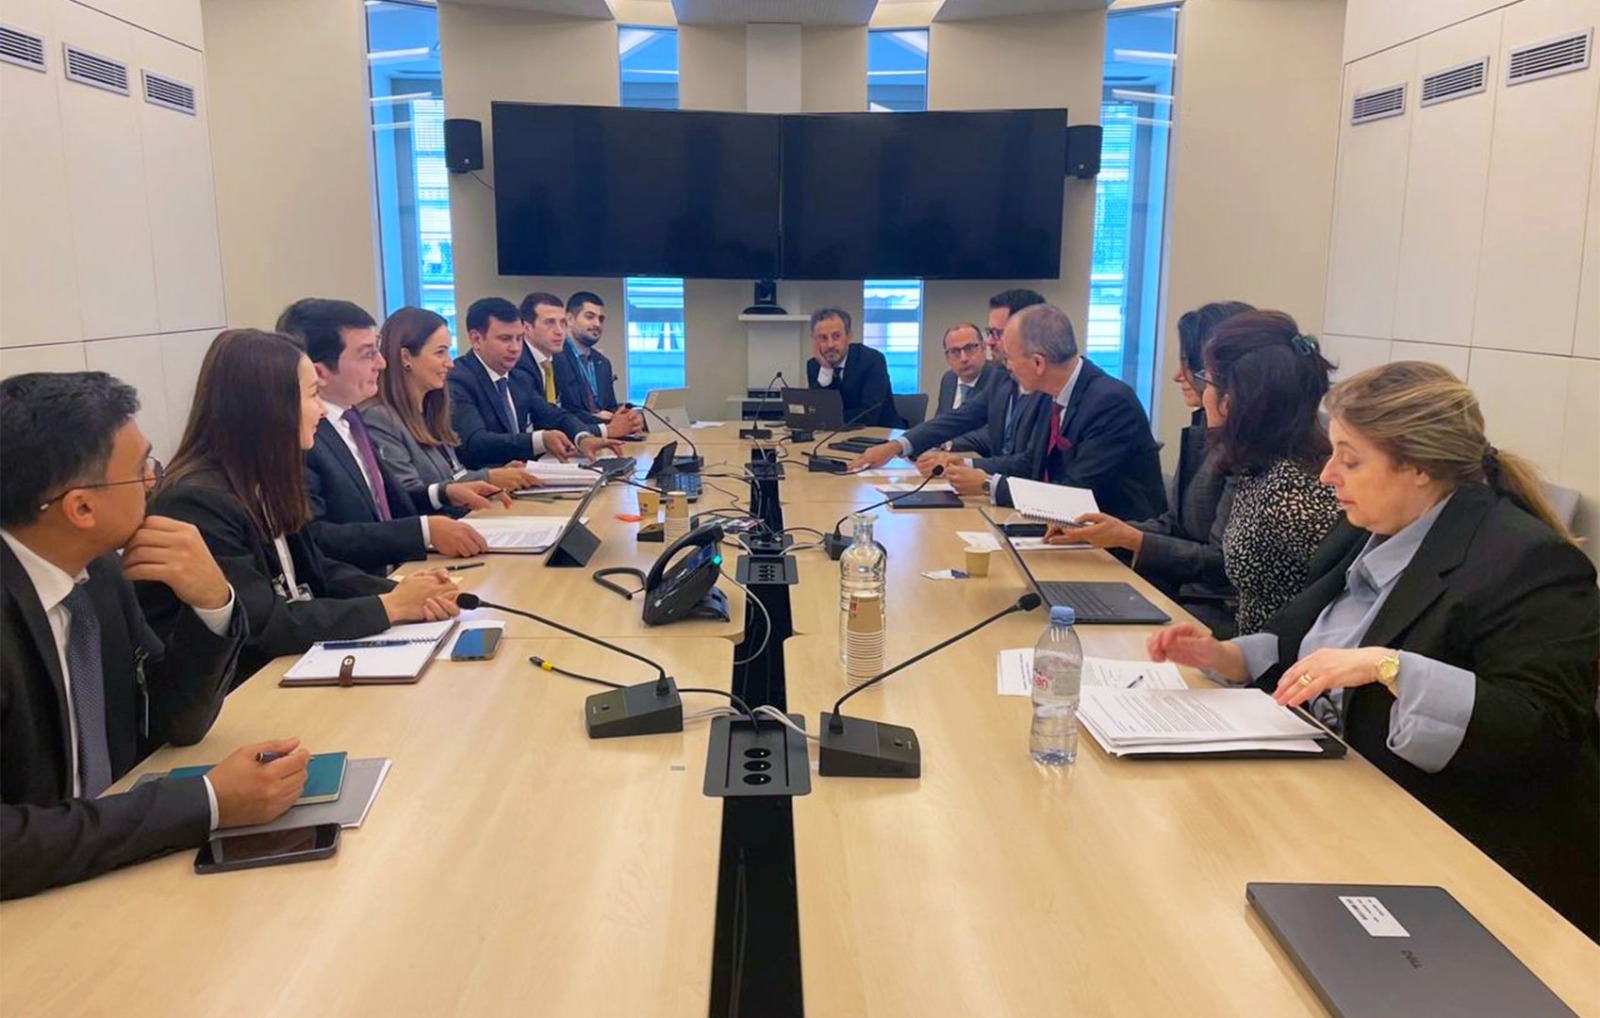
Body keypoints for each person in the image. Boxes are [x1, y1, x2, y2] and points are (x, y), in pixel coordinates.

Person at [1148, 361, 1599, 937]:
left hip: (1453, 852)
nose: (1327, 476)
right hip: (1325, 797)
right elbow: (1309, 640)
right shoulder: (1368, 525)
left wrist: (1391, 667)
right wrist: (1229, 658)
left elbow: (1542, 732)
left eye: (1350, 459)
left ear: (1418, 467)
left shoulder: (1528, 562)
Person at [1, 371, 311, 899]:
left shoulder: (98, 572)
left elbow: (175, 720)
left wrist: (212, 602)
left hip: (108, 869)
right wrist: (207, 801)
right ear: (81, 507)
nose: (155, 482)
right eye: (142, 469)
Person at [143, 329, 461, 681]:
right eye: (312, 396)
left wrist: (403, 591)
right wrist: (389, 607)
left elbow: (315, 570)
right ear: (269, 407)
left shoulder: (263, 477)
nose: (321, 410)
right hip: (246, 687)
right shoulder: (198, 502)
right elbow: (262, 624)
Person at [1076, 311, 1338, 635]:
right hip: (1244, 648)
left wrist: (1131, 539)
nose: (1202, 391)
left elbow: (1228, 573)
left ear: (1234, 399)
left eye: (1207, 379)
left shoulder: (1286, 493)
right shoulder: (1259, 466)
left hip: (1253, 647)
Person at [1044, 300, 1254, 635]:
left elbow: (1222, 563)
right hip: (1177, 590)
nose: (1177, 376)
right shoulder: (1203, 428)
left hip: (1209, 611)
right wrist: (1105, 530)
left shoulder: (1249, 452)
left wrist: (1133, 538)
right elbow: (1176, 524)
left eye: (1189, 365)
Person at [276, 298, 496, 574]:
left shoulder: (351, 418)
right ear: (319, 371)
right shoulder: (303, 438)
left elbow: (387, 505)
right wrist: (423, 532)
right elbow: (315, 539)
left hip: (403, 573)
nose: (381, 363)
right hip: (361, 587)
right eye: (367, 355)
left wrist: (444, 494)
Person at [942, 304, 1168, 520]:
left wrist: (988, 485)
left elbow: (1077, 495)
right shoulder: (1052, 393)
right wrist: (968, 465)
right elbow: (1031, 462)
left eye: (1010, 358)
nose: (1007, 367)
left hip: (1111, 541)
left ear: (1038, 363)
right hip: (1064, 528)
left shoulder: (1110, 403)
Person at [363, 306, 542, 513]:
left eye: (448, 352)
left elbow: (453, 478)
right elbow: (407, 497)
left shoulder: (431, 409)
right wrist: (487, 478)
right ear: (406, 357)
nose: (450, 363)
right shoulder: (380, 418)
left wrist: (496, 475)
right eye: (440, 352)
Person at [849, 288, 1046, 469]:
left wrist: (966, 464)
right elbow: (959, 418)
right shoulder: (1001, 378)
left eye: (998, 333)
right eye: (989, 333)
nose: (990, 342)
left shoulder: (1044, 388)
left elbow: (1028, 464)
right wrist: (895, 446)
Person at [448, 297, 621, 469]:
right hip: (485, 481)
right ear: (476, 339)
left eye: (519, 338)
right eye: (505, 339)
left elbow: (553, 415)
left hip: (522, 475)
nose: (515, 348)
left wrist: (583, 438)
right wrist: (540, 440)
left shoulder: (518, 378)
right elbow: (475, 443)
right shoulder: (458, 379)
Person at [516, 291, 642, 439]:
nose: (559, 331)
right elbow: (550, 415)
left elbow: (561, 414)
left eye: (562, 323)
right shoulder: (519, 364)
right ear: (527, 328)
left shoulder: (556, 361)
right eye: (550, 322)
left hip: (564, 441)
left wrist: (624, 420)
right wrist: (606, 428)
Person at [804, 306, 901, 428]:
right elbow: (815, 411)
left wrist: (826, 418)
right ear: (814, 340)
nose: (830, 345)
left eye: (836, 336)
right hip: (835, 435)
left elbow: (868, 416)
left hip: (881, 433)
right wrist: (826, 369)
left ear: (848, 336)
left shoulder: (872, 360)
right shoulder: (815, 365)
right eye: (823, 338)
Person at [552, 291, 627, 424]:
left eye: (601, 319)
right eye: (590, 317)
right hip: (572, 434)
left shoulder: (603, 362)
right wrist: (594, 418)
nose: (597, 324)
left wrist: (623, 415)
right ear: (569, 319)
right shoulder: (555, 358)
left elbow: (610, 407)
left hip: (607, 433)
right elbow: (559, 410)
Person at [934, 323, 1005, 417]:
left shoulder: (998, 379)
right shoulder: (949, 379)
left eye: (970, 348)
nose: (963, 358)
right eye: (955, 351)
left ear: (983, 348)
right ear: (947, 357)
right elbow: (940, 420)